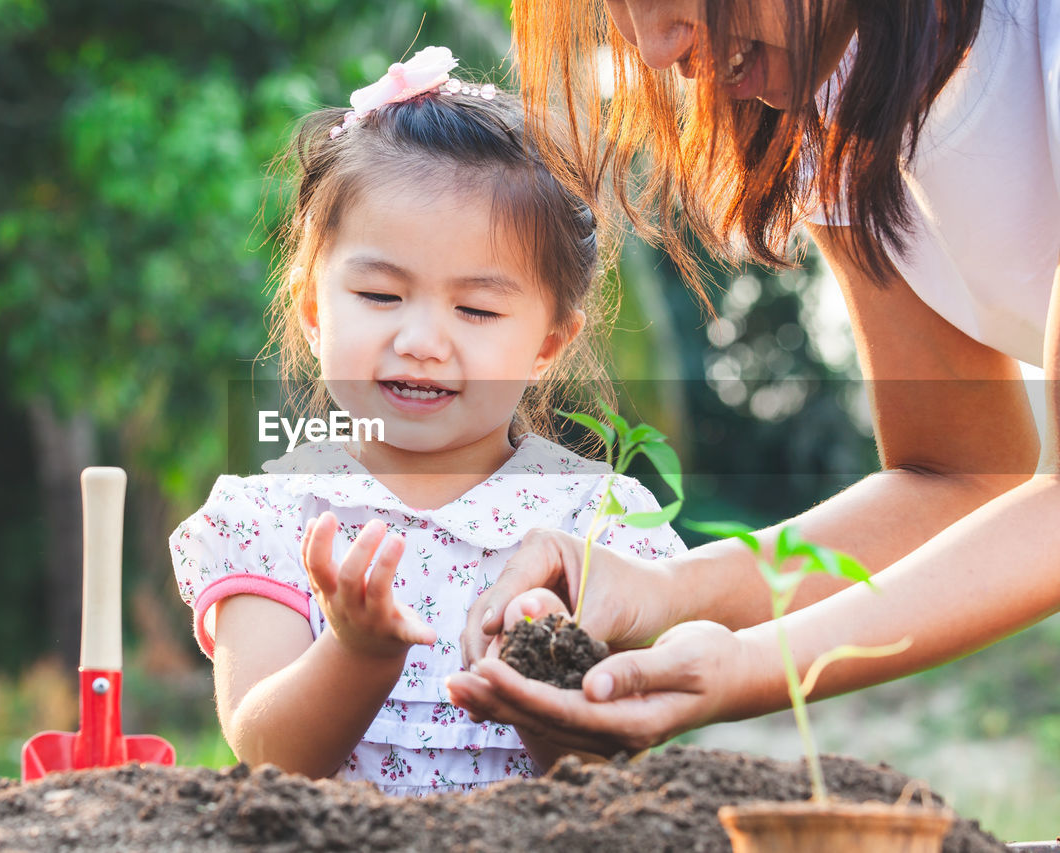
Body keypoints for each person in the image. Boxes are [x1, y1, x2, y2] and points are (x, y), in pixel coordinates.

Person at [447, 0, 1060, 756]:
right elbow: (958, 474)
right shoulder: (837, 95)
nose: (655, 48)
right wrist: (662, 590)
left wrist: (743, 666)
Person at [168, 46, 684, 795]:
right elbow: (267, 752)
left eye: (476, 309)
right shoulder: (271, 517)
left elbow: (606, 776)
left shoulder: (595, 523)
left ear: (546, 344)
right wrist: (358, 651)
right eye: (381, 296)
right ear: (315, 311)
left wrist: (542, 661)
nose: (421, 341)